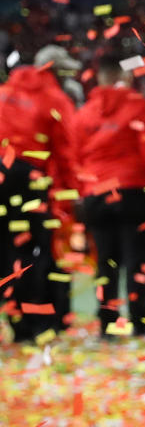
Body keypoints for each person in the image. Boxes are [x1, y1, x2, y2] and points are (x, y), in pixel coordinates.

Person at [72, 48, 145, 337]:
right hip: (133, 192)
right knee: (138, 259)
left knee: (106, 261)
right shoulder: (139, 107)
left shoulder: (84, 113)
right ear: (123, 74)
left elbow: (75, 158)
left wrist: (84, 193)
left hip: (97, 195)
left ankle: (107, 322)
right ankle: (141, 321)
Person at [0, 45, 78, 342]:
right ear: (55, 71)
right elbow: (65, 153)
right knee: (35, 251)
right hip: (27, 176)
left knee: (6, 252)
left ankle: (17, 321)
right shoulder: (54, 99)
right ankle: (35, 323)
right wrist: (70, 196)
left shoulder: (5, 91)